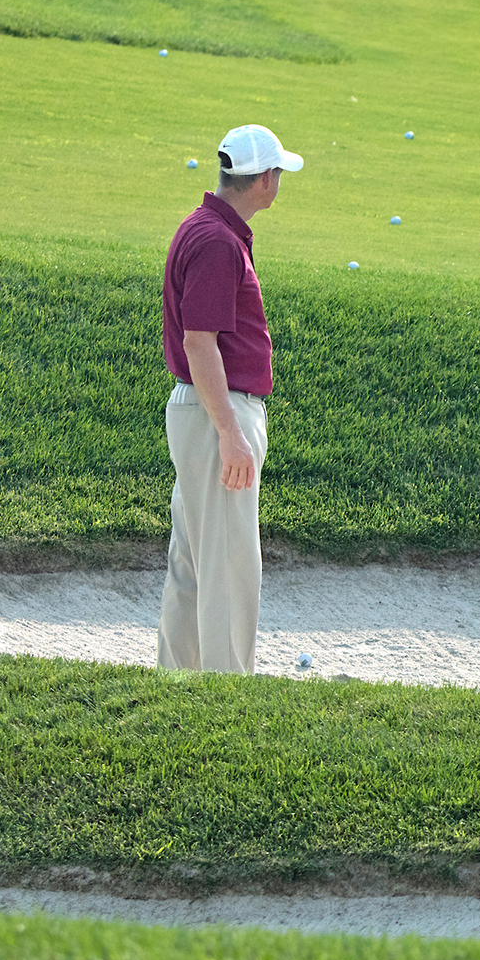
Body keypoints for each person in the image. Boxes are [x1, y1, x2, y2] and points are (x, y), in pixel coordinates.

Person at [157, 124, 303, 674]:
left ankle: (179, 684)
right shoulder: (218, 242)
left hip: (200, 410)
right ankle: (227, 694)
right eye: (279, 174)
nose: (279, 182)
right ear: (265, 179)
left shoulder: (206, 228)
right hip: (216, 412)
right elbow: (200, 342)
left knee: (195, 562)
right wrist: (231, 433)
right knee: (229, 567)